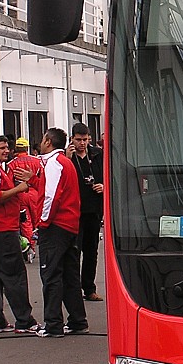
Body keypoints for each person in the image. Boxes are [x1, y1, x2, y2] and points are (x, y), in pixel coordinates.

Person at [36, 128, 88, 337]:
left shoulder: (54, 163)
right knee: (69, 275)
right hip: (69, 225)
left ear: (48, 141)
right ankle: (77, 320)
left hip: (56, 226)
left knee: (51, 274)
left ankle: (52, 324)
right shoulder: (65, 162)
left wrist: (43, 221)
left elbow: (50, 196)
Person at [0, 134, 40, 335]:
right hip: (2, 230)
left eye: (7, 147)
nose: (7, 150)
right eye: (2, 148)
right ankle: (24, 321)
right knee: (14, 276)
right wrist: (19, 188)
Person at [67, 123, 104, 301]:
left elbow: (108, 175)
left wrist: (103, 186)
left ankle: (89, 288)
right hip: (75, 212)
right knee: (75, 251)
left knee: (91, 251)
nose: (82, 143)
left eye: (85, 139)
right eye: (79, 140)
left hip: (93, 210)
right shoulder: (68, 157)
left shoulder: (97, 155)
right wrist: (68, 157)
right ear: (72, 139)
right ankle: (73, 289)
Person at [7, 136, 43, 260]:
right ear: (26, 147)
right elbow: (42, 178)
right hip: (36, 193)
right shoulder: (37, 161)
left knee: (25, 222)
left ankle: (30, 248)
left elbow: (9, 182)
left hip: (20, 194)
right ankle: (42, 246)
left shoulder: (11, 164)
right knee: (37, 221)